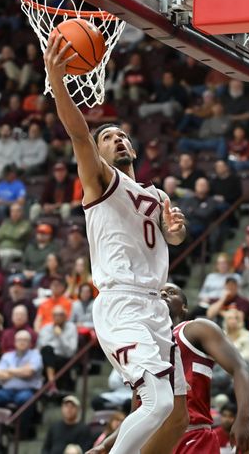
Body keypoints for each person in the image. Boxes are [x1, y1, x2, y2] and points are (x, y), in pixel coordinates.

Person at [44, 36, 189, 454]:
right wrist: (57, 80)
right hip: (122, 302)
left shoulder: (157, 194)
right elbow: (78, 134)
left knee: (179, 413)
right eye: (109, 137)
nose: (118, 140)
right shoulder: (102, 181)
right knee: (157, 401)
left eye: (124, 136)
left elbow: (173, 238)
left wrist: (175, 229)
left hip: (156, 305)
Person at [90, 283, 249, 454]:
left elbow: (240, 368)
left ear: (184, 307)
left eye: (170, 292)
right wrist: (105, 445)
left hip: (193, 436)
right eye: (158, 293)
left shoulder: (196, 329)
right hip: (153, 443)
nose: (162, 294)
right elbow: (136, 412)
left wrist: (243, 418)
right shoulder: (145, 347)